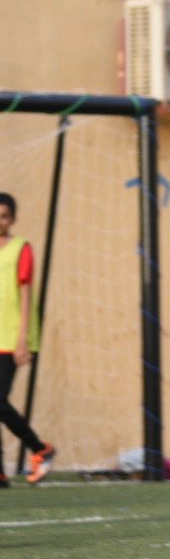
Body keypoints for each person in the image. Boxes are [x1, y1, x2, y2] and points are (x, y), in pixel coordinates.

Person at [0, 192, 56, 487]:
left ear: (13, 219)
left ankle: (39, 449)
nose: (0, 221)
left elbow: (25, 296)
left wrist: (24, 341)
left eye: (4, 216)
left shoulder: (21, 249)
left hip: (11, 339)